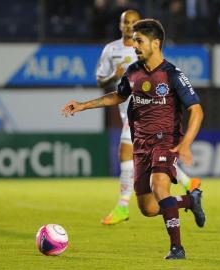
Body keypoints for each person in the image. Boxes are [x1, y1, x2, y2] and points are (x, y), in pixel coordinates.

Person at [62, 18, 205, 259]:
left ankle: (177, 248)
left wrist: (186, 143)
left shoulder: (173, 74)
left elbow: (197, 110)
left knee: (160, 187)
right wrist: (83, 105)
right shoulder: (133, 72)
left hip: (165, 140)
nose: (134, 46)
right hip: (140, 144)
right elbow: (118, 96)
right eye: (133, 41)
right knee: (149, 209)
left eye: (139, 41)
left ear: (156, 43)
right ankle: (190, 201)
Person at [96, 10, 201, 226]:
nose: (129, 26)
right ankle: (189, 186)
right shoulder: (111, 50)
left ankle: (123, 206)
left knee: (125, 153)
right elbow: (101, 81)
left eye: (134, 23)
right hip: (127, 110)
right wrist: (113, 77)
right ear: (120, 24)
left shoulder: (148, 50)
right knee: (149, 203)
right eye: (126, 22)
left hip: (142, 113)